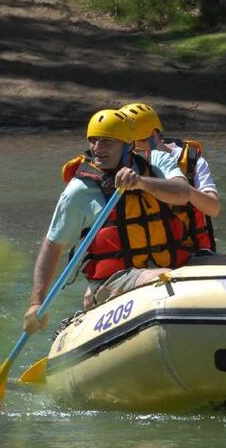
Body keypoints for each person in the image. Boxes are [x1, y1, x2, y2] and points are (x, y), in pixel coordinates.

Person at [24, 109, 197, 335]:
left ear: (127, 146)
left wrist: (142, 183)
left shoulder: (154, 164)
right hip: (115, 278)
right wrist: (36, 303)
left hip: (169, 263)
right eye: (93, 141)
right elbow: (53, 246)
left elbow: (183, 194)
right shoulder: (78, 191)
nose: (97, 148)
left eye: (106, 142)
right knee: (165, 279)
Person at [119, 101, 226, 266]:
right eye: (126, 144)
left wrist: (181, 189)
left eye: (136, 143)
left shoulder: (191, 162)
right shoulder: (124, 164)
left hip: (190, 253)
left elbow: (213, 208)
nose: (132, 150)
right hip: (142, 258)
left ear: (154, 135)